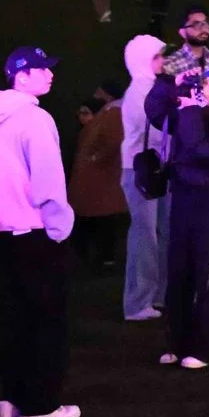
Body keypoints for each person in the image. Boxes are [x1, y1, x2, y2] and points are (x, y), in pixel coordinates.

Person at [0, 47, 80, 417]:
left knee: (13, 318)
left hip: (3, 233)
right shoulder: (34, 118)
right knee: (45, 321)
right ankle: (40, 407)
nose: (50, 74)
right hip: (36, 233)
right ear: (20, 75)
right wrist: (60, 228)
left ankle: (11, 401)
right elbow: (49, 181)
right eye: (42, 69)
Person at [147, 62, 209, 370]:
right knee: (179, 269)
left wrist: (188, 111)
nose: (204, 89)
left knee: (207, 271)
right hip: (185, 196)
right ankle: (178, 341)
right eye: (205, 83)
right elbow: (157, 113)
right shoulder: (196, 110)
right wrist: (168, 82)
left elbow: (205, 151)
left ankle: (204, 346)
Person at [118, 34, 168, 323]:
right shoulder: (140, 90)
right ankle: (137, 301)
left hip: (156, 167)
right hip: (140, 169)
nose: (163, 60)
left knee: (162, 231)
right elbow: (157, 128)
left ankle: (159, 294)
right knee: (144, 234)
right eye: (157, 56)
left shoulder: (154, 87)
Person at [67, 79, 126, 272]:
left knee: (102, 221)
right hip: (91, 186)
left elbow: (112, 143)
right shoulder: (103, 120)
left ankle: (104, 258)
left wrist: (95, 158)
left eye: (85, 113)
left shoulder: (110, 116)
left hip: (100, 184)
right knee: (93, 221)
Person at [163, 6, 209, 83]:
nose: (205, 29)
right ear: (183, 32)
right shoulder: (171, 63)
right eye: (197, 25)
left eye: (206, 24)